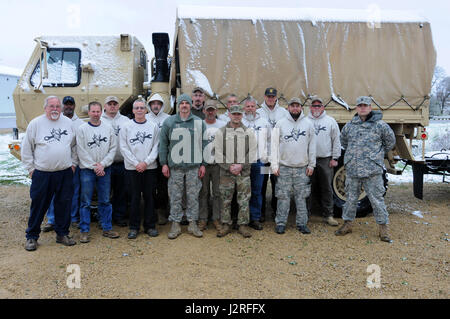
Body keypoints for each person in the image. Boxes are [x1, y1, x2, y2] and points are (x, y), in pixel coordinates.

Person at [336, 96, 396, 242]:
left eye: (366, 105)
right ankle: (348, 224)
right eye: (360, 106)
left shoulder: (380, 126)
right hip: (353, 170)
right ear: (356, 108)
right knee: (350, 199)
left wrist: (376, 156)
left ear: (370, 108)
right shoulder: (350, 126)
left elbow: (390, 142)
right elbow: (343, 141)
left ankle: (383, 229)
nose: (363, 108)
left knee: (377, 200)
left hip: (372, 171)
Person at [21, 96, 77, 251]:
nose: (55, 109)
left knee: (64, 205)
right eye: (51, 106)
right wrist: (31, 169)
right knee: (38, 205)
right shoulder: (36, 124)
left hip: (64, 173)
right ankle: (32, 236)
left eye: (57, 106)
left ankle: (62, 234)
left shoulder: (68, 123)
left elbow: (74, 146)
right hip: (42, 174)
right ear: (45, 107)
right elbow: (26, 148)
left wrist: (73, 164)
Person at [159, 94, 206, 239]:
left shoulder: (199, 122)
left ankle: (192, 224)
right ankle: (175, 224)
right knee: (175, 196)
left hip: (193, 166)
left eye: (187, 103)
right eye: (181, 103)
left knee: (193, 196)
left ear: (191, 105)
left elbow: (204, 144)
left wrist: (203, 164)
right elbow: (163, 144)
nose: (184, 105)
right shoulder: (169, 122)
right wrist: (164, 163)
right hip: (175, 167)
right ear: (178, 105)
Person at [271, 97, 316, 235]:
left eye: (297, 106)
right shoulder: (280, 124)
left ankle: (302, 223)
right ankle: (280, 223)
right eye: (292, 106)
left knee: (301, 197)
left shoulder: (308, 124)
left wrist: (311, 165)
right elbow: (274, 145)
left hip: (302, 167)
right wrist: (274, 165)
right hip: (284, 166)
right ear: (288, 108)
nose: (295, 108)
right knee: (282, 197)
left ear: (301, 108)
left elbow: (312, 146)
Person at [76, 101, 119, 243]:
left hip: (105, 169)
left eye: (97, 111)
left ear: (101, 112)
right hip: (87, 170)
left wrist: (103, 164)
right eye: (93, 111)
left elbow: (113, 148)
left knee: (105, 200)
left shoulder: (108, 128)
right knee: (85, 201)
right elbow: (81, 150)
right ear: (88, 112)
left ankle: (107, 227)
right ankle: (84, 230)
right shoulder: (82, 129)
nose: (95, 114)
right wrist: (94, 166)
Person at [43, 96, 85, 232]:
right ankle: (52, 219)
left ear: (74, 106)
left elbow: (77, 146)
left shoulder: (80, 124)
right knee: (53, 193)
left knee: (74, 192)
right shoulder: (55, 121)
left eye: (70, 104)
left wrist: (74, 163)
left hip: (72, 165)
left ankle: (73, 218)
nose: (68, 107)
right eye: (65, 104)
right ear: (62, 107)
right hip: (55, 165)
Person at [215, 104, 257, 238]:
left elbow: (252, 152)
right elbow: (218, 153)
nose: (236, 116)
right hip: (226, 173)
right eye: (234, 114)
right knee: (225, 200)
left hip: (243, 173)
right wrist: (229, 166)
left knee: (244, 200)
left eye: (239, 114)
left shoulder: (248, 132)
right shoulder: (221, 132)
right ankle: (226, 224)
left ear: (242, 115)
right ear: (229, 115)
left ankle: (243, 225)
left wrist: (241, 165)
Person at [120, 98, 160, 239]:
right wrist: (136, 163)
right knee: (134, 198)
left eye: (142, 108)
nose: (139, 110)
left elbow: (156, 146)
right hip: (132, 168)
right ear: (132, 110)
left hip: (149, 168)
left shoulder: (153, 126)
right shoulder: (126, 126)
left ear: (146, 110)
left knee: (149, 197)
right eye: (136, 108)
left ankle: (150, 226)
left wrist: (146, 162)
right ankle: (134, 227)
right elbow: (124, 147)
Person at [307, 96, 341, 227]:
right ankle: (306, 214)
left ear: (323, 107)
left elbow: (336, 140)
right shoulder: (305, 121)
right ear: (310, 108)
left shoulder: (330, 121)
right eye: (314, 106)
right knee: (307, 188)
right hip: (309, 160)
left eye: (319, 106)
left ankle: (329, 215)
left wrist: (335, 158)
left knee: (327, 188)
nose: (316, 108)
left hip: (325, 159)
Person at [257, 88, 289, 222]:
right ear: (264, 97)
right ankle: (261, 212)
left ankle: (276, 210)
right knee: (262, 184)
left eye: (273, 96)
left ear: (276, 98)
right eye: (268, 96)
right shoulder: (258, 112)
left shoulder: (283, 112)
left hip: (277, 156)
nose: (270, 98)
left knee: (278, 183)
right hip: (264, 156)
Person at [241, 97, 271, 231]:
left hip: (259, 162)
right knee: (242, 191)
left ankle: (255, 218)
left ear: (256, 107)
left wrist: (268, 158)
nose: (250, 109)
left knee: (257, 191)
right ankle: (242, 219)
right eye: (247, 106)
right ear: (244, 108)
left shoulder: (264, 122)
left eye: (252, 106)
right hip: (243, 163)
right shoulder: (239, 121)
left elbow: (270, 140)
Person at [101, 96, 130, 226]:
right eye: (110, 104)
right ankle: (105, 218)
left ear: (118, 106)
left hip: (121, 162)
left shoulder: (126, 121)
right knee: (105, 193)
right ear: (105, 106)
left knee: (121, 192)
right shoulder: (99, 121)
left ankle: (119, 216)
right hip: (105, 164)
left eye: (115, 104)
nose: (112, 106)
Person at [198, 100, 227, 231]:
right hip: (203, 164)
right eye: (208, 110)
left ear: (216, 111)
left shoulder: (223, 125)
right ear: (204, 111)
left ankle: (216, 218)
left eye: (212, 110)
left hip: (217, 165)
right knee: (203, 192)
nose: (210, 112)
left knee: (217, 193)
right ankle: (203, 219)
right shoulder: (199, 125)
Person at [145, 93, 171, 225]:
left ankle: (161, 211)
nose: (155, 106)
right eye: (153, 103)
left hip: (163, 158)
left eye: (158, 103)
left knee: (162, 187)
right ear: (149, 105)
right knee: (149, 186)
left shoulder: (168, 119)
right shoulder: (143, 118)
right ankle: (150, 211)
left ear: (162, 105)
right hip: (147, 158)